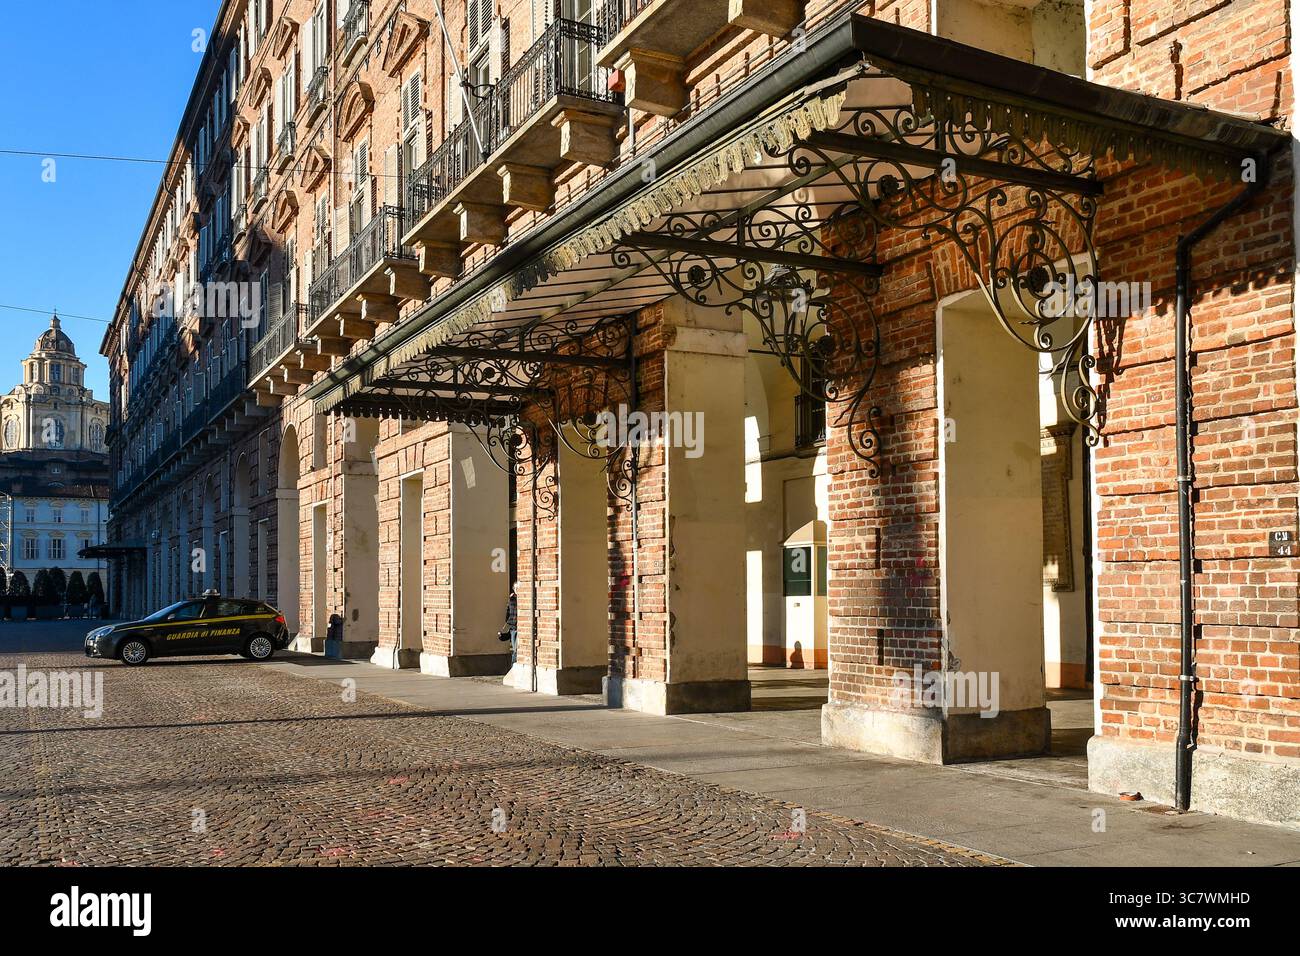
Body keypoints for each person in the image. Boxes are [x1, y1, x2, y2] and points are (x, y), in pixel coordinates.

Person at [498, 584, 518, 664]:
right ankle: (513, 668)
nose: (518, 590)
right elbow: (509, 612)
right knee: (515, 649)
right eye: (516, 588)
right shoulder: (512, 600)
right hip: (513, 627)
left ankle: (514, 667)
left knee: (516, 649)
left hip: (520, 627)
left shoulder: (523, 599)